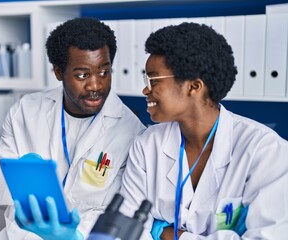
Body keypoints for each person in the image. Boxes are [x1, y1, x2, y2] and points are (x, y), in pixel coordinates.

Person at [119, 22, 288, 240]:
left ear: (194, 87)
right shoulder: (147, 145)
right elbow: (127, 229)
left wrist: (167, 234)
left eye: (153, 80)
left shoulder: (267, 152)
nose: (145, 89)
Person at [0, 17, 146, 240]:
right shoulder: (26, 111)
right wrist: (23, 176)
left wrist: (73, 236)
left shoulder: (131, 132)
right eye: (82, 75)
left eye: (104, 72)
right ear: (59, 72)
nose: (95, 85)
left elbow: (119, 210)